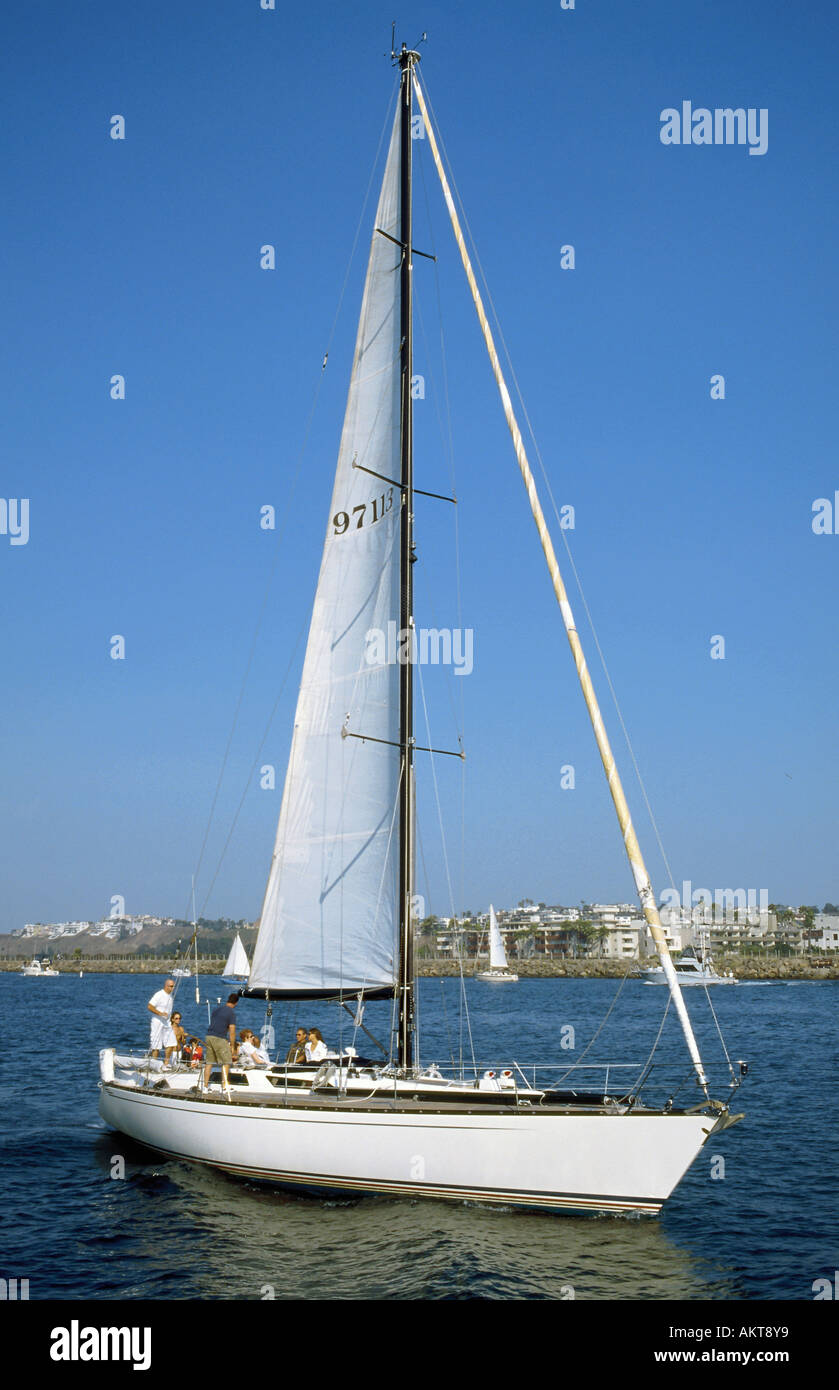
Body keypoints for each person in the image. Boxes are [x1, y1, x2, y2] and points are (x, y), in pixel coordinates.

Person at [203, 993, 239, 1093]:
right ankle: (224, 1087)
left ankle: (205, 1087)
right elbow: (232, 1030)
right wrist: (232, 1045)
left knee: (209, 1062)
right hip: (219, 1038)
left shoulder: (217, 1009)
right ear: (236, 1003)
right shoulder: (231, 1013)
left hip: (209, 1036)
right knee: (226, 1062)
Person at [147, 978, 176, 1063]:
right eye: (171, 986)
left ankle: (166, 1064)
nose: (172, 988)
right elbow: (149, 1006)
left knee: (171, 1042)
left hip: (167, 1022)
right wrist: (160, 1013)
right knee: (156, 1044)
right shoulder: (159, 994)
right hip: (157, 1021)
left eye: (173, 986)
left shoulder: (170, 996)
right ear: (166, 986)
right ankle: (154, 1064)